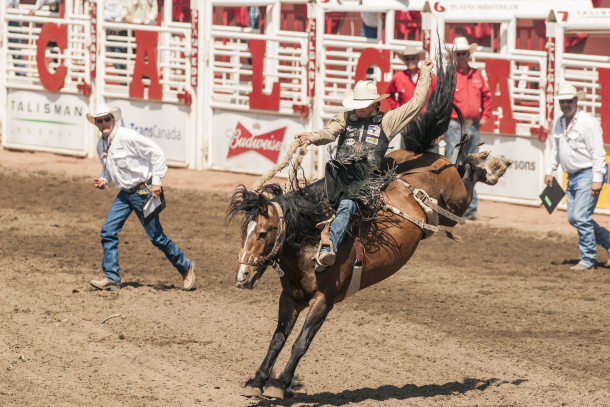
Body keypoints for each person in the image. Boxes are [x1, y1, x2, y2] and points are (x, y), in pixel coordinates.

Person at [296, 59, 434, 272]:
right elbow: (329, 132)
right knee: (302, 197)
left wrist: (424, 73)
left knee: (348, 205)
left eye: (363, 104)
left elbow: (416, 104)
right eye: (356, 104)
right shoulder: (344, 118)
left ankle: (327, 248)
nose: (359, 108)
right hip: (339, 176)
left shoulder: (387, 121)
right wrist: (313, 136)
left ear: (375, 102)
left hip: (364, 181)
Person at [88, 103, 195, 290]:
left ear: (113, 119)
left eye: (107, 119)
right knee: (108, 231)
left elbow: (157, 153)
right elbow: (108, 170)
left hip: (143, 191)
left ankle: (186, 267)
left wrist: (157, 181)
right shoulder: (101, 144)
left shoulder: (128, 137)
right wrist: (105, 180)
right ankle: (111, 277)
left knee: (157, 238)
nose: (104, 123)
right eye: (100, 120)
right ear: (96, 123)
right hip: (124, 194)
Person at [544, 83, 610, 271]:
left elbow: (598, 153)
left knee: (580, 217)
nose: (565, 104)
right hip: (572, 176)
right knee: (576, 218)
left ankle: (588, 260)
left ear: (576, 100)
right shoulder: (560, 122)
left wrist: (598, 178)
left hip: (587, 174)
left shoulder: (588, 123)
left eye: (569, 100)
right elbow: (556, 150)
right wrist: (550, 170)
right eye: (562, 101)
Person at [444, 37, 491, 220]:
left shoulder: (477, 74)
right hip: (455, 125)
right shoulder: (450, 75)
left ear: (468, 54)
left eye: (464, 53)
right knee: (455, 166)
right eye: (458, 54)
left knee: (472, 167)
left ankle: (469, 208)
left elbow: (486, 97)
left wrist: (485, 116)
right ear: (454, 56)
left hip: (471, 126)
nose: (462, 56)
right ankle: (452, 205)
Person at [386, 44, 438, 150]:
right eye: (407, 58)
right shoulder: (398, 77)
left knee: (429, 153)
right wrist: (398, 109)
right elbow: (389, 95)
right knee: (406, 153)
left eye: (412, 58)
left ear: (418, 58)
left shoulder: (431, 76)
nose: (410, 61)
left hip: (426, 120)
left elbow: (439, 97)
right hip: (407, 120)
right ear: (404, 60)